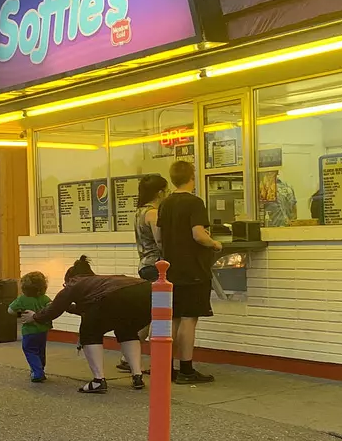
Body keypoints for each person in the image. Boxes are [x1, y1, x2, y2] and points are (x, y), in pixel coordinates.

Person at [20, 257, 151, 393]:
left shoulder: (75, 283)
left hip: (114, 297)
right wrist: (69, 307)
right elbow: (92, 307)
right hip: (147, 293)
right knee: (126, 330)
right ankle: (137, 376)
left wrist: (34, 317)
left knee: (89, 332)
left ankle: (98, 381)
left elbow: (55, 309)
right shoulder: (99, 281)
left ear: (69, 279)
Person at [158, 160, 220, 384]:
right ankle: (186, 369)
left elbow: (158, 236)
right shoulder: (194, 202)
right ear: (192, 178)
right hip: (193, 268)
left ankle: (167, 367)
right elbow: (198, 234)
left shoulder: (165, 204)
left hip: (170, 268)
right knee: (189, 319)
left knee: (173, 318)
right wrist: (214, 244)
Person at [115, 174, 168, 374]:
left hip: (144, 264)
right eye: (166, 191)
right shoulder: (153, 213)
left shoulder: (139, 212)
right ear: (160, 192)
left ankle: (127, 357)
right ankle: (158, 361)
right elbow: (160, 240)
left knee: (147, 315)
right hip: (157, 266)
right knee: (160, 315)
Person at [7, 271, 53, 383]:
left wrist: (20, 314)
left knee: (30, 350)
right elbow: (51, 309)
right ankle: (40, 368)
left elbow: (10, 310)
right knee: (40, 350)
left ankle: (37, 372)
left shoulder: (22, 299)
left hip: (29, 330)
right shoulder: (45, 298)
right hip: (43, 330)